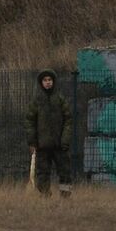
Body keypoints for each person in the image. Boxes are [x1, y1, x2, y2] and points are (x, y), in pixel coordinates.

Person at [23, 68, 72, 197]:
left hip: (60, 145)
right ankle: (45, 196)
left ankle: (65, 196)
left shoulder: (60, 99)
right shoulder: (36, 101)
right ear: (41, 83)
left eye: (50, 80)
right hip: (42, 145)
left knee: (65, 171)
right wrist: (32, 142)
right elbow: (29, 122)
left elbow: (68, 120)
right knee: (42, 172)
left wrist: (65, 139)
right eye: (45, 80)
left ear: (54, 82)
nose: (48, 82)